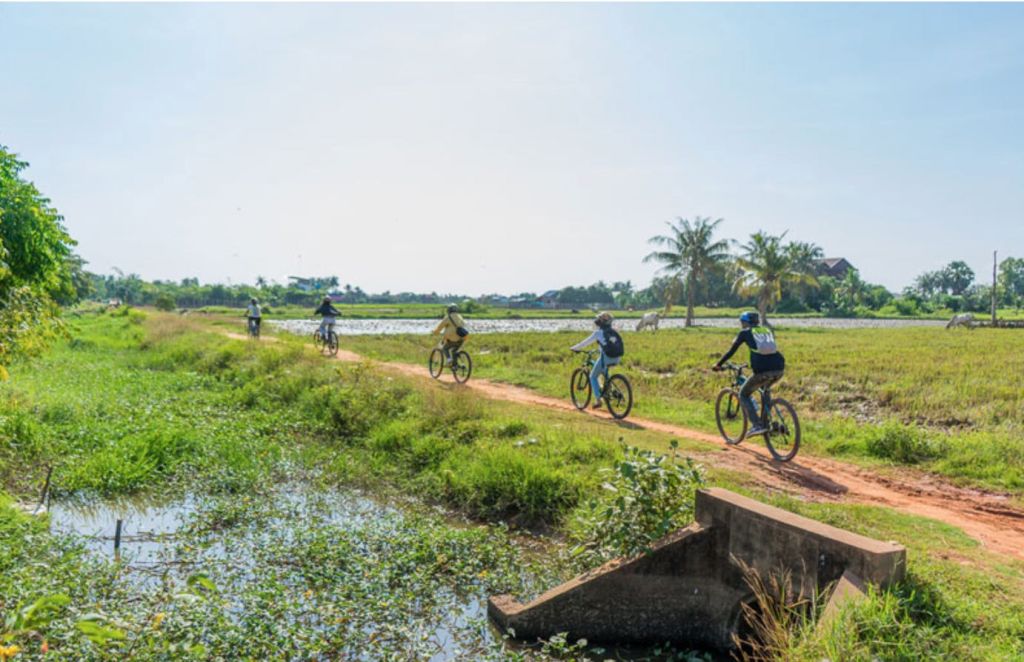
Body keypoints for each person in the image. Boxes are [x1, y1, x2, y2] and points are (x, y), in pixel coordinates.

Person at [712, 311, 785, 437]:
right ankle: (768, 423)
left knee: (743, 394)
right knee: (765, 390)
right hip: (779, 369)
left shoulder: (745, 332)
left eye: (742, 322)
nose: (741, 324)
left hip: (762, 371)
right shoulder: (766, 330)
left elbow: (731, 351)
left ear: (746, 322)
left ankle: (757, 425)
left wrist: (718, 364)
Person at [570, 312, 624, 409]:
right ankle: (609, 391)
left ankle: (598, 400)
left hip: (606, 358)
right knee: (604, 373)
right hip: (617, 357)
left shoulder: (598, 333)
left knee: (593, 376)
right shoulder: (613, 331)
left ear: (601, 322)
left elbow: (584, 343)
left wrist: (574, 348)